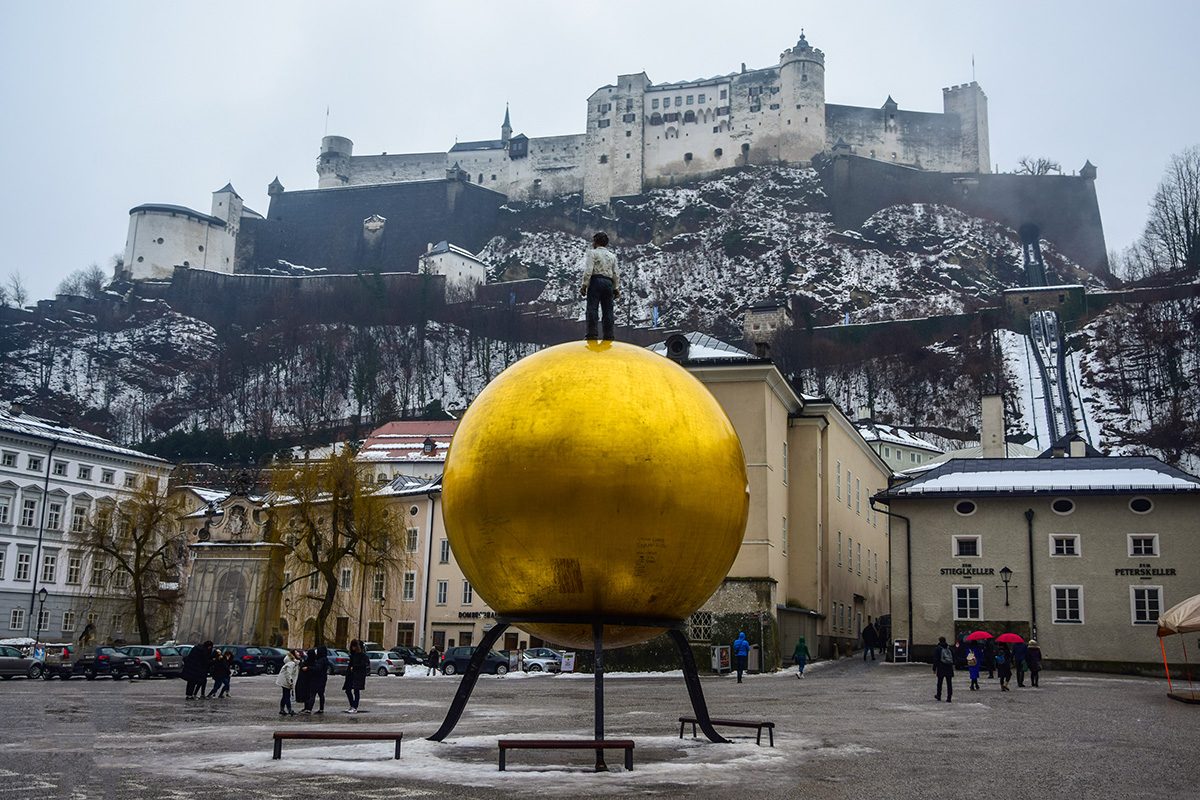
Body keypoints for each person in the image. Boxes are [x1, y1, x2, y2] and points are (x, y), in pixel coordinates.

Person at [580, 232, 620, 341]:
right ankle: (609, 335)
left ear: (596, 241)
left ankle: (592, 334)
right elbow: (616, 273)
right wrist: (616, 288)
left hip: (596, 281)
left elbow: (589, 270)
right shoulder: (612, 256)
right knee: (608, 310)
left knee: (592, 308)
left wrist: (584, 285)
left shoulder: (592, 253)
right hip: (608, 283)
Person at [343, 639, 369, 713]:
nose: (353, 648)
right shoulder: (353, 655)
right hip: (351, 675)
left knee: (356, 690)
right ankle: (352, 705)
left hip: (358, 675)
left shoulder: (363, 656)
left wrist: (354, 667)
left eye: (354, 646)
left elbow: (363, 665)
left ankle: (354, 706)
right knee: (348, 690)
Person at [303, 647, 329, 713]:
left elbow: (317, 668)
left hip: (317, 679)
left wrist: (308, 668)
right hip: (323, 679)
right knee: (321, 694)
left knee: (312, 694)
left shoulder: (320, 660)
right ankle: (321, 708)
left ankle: (309, 709)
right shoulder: (325, 659)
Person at [276, 649, 300, 716]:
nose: (298, 653)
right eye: (297, 652)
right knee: (287, 696)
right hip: (286, 681)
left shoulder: (293, 662)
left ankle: (282, 709)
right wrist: (290, 682)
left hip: (285, 681)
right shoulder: (292, 663)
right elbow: (288, 674)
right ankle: (289, 710)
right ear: (294, 654)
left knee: (285, 695)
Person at [933, 636, 954, 702]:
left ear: (939, 641)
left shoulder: (938, 649)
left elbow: (935, 659)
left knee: (939, 682)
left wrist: (934, 668)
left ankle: (939, 695)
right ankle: (949, 697)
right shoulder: (949, 648)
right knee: (949, 683)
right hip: (949, 667)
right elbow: (953, 657)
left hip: (941, 667)